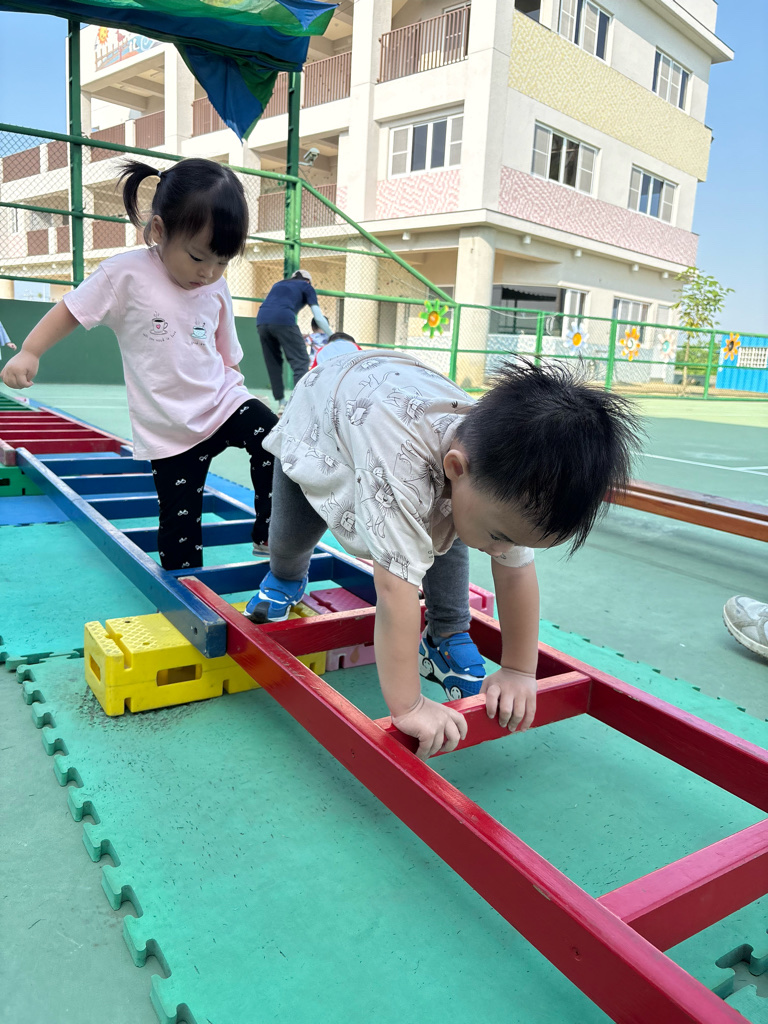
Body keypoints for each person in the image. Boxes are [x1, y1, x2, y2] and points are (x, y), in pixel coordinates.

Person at [244, 351, 641, 759]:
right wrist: (409, 706)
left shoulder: (510, 475)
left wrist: (519, 669)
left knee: (455, 525)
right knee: (292, 534)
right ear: (456, 467)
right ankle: (286, 576)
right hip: (319, 416)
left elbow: (516, 570)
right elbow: (394, 589)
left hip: (388, 399)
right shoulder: (401, 469)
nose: (501, 550)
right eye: (501, 536)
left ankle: (445, 634)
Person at [0, 157, 277, 571]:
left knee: (274, 438)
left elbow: (226, 355)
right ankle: (185, 584)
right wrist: (30, 351)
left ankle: (272, 535)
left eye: (222, 262)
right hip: (169, 426)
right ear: (160, 230)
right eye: (198, 257)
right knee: (179, 526)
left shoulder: (215, 285)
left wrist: (242, 396)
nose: (209, 273)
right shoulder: (125, 274)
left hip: (220, 402)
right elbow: (71, 309)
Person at [257, 269, 331, 415]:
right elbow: (318, 318)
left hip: (261, 320)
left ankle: (281, 403)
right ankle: (300, 404)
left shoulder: (278, 284)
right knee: (301, 361)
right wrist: (333, 335)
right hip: (284, 319)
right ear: (308, 281)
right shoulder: (306, 286)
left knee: (273, 362)